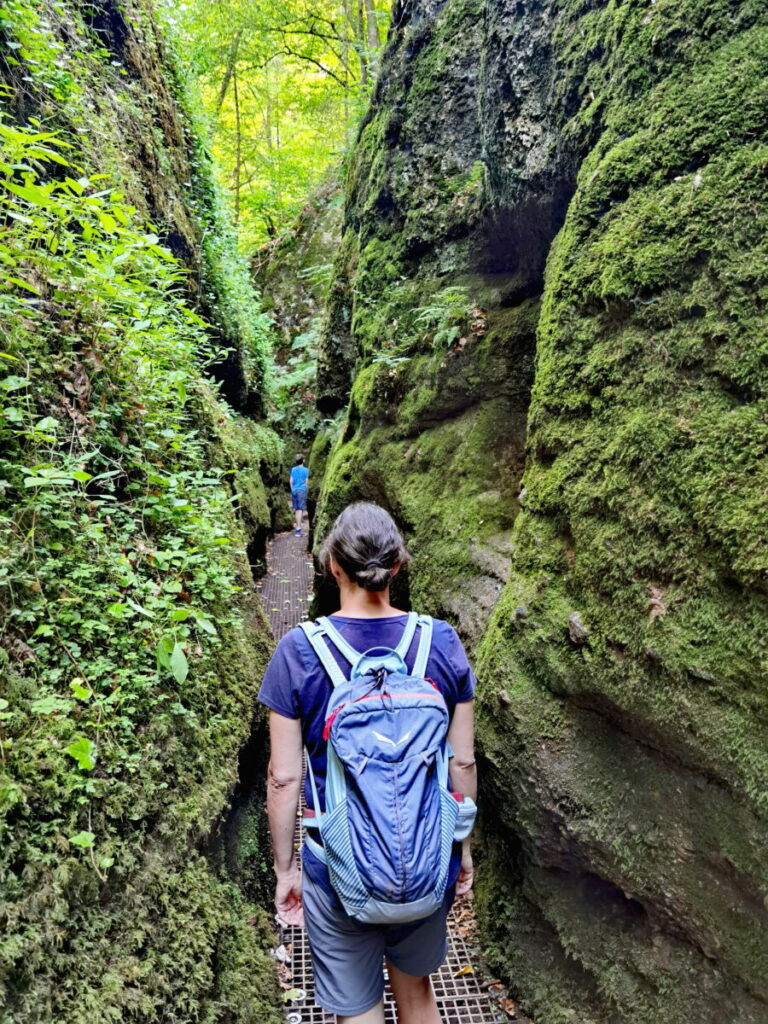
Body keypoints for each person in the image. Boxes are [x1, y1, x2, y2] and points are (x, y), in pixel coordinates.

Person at [258, 501, 477, 1024]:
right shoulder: (440, 642)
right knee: (419, 991)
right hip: (427, 859)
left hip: (337, 867)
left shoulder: (298, 651)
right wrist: (461, 850)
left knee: (357, 1011)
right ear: (397, 565)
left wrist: (286, 870)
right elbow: (462, 763)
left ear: (332, 565)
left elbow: (284, 778)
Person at [290, 454, 309, 535]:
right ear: (303, 460)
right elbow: (306, 481)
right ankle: (298, 530)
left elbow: (291, 481)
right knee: (300, 510)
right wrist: (306, 490)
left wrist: (292, 489)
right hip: (301, 490)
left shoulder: (293, 469)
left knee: (297, 509)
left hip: (294, 490)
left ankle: (298, 528)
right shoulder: (306, 470)